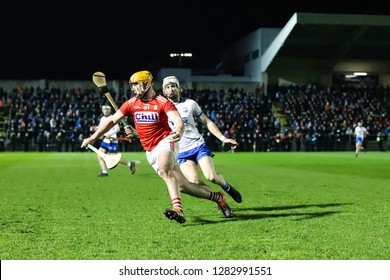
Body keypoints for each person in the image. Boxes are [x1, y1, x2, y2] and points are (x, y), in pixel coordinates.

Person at [82, 70, 232, 225]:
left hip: (166, 141)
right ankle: (218, 198)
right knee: (184, 186)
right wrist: (93, 137)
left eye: (136, 85)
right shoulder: (131, 103)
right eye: (131, 85)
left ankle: (178, 209)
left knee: (164, 168)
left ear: (147, 84)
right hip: (150, 150)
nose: (133, 88)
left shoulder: (163, 102)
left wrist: (179, 131)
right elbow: (112, 120)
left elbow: (177, 119)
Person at [161, 76, 242, 203]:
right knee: (194, 182)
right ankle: (220, 201)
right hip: (181, 151)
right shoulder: (161, 109)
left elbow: (207, 122)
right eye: (167, 87)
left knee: (211, 177)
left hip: (197, 145)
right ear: (164, 91)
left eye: (173, 86)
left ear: (179, 89)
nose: (171, 89)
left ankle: (227, 187)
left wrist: (223, 138)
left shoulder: (190, 104)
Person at [90, 104, 136, 176]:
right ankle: (104, 172)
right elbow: (100, 127)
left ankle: (130, 163)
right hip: (106, 141)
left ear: (110, 110)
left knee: (114, 159)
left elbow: (117, 128)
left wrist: (110, 134)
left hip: (112, 141)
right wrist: (94, 128)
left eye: (107, 109)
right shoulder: (102, 118)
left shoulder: (112, 117)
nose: (106, 111)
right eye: (104, 109)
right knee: (99, 155)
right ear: (102, 110)